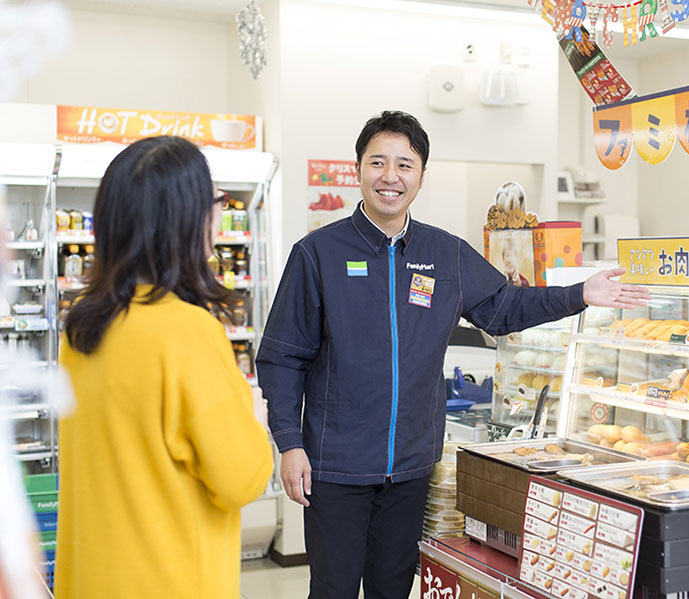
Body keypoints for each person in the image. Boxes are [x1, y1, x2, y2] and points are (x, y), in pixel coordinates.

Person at [257, 111, 649, 599]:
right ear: (358, 169)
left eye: (405, 164)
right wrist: (290, 444)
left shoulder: (445, 254)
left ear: (421, 176)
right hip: (336, 465)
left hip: (411, 465)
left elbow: (505, 308)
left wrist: (578, 294)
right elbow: (282, 358)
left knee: (393, 588)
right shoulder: (318, 253)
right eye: (378, 162)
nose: (390, 176)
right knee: (332, 590)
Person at [55, 136, 273, 599]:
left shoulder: (81, 328)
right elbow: (240, 479)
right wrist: (255, 415)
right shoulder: (188, 332)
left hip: (93, 579)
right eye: (215, 200)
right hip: (168, 579)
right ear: (186, 218)